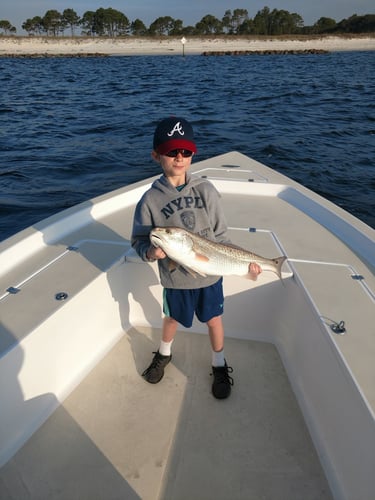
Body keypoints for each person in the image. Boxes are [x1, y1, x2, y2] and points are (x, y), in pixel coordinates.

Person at [131, 117, 261, 399]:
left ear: (192, 154)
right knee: (171, 319)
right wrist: (151, 252)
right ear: (156, 155)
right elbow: (140, 240)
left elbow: (221, 238)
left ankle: (219, 362)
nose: (179, 157)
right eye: (171, 152)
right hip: (175, 281)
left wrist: (247, 267)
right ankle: (164, 354)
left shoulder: (206, 190)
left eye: (185, 152)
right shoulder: (149, 201)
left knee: (214, 319)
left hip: (211, 276)